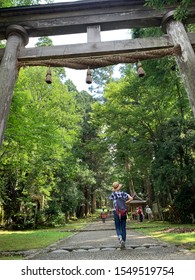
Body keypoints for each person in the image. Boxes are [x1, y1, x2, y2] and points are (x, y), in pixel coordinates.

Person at [109, 181, 133, 249]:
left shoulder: (113, 194)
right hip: (123, 211)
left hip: (116, 211)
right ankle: (124, 241)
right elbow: (131, 198)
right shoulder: (124, 193)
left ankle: (120, 239)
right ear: (119, 187)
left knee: (117, 226)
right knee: (123, 226)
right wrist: (126, 202)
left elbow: (110, 198)